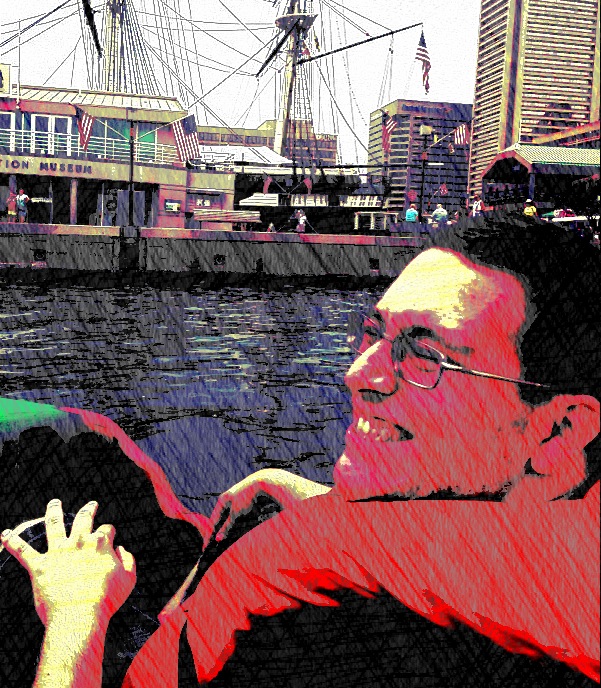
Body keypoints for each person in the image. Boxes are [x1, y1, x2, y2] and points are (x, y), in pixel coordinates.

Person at [2, 216, 600, 687]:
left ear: (560, 431)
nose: (359, 375)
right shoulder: (543, 558)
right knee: (81, 449)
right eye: (373, 334)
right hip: (178, 614)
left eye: (425, 356)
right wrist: (304, 494)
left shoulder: (327, 629)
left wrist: (74, 617)